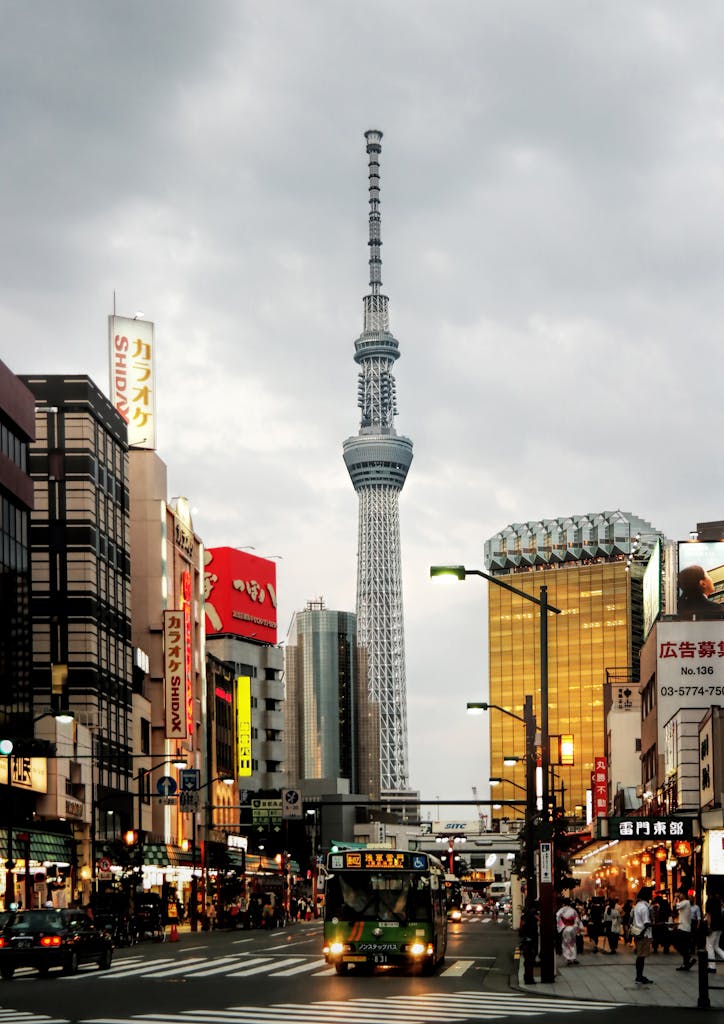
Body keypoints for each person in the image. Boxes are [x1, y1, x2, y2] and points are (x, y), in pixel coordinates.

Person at [631, 886, 654, 984]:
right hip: (643, 934)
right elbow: (646, 923)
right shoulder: (644, 908)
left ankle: (639, 975)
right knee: (641, 956)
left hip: (638, 933)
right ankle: (639, 976)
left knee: (640, 956)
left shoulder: (638, 905)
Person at [556, 898, 583, 966]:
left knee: (565, 943)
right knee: (573, 943)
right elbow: (577, 919)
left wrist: (561, 926)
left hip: (565, 928)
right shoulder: (573, 910)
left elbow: (557, 917)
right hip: (572, 928)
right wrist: (578, 928)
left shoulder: (561, 910)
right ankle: (573, 958)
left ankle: (568, 958)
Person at [673, 890, 695, 971]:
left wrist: (675, 897)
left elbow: (674, 906)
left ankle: (687, 958)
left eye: (681, 894)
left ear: (684, 895)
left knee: (677, 944)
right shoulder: (686, 903)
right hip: (684, 927)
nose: (680, 895)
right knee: (683, 946)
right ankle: (686, 963)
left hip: (684, 928)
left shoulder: (685, 902)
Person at [706, 890, 724, 973]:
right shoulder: (718, 901)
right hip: (720, 926)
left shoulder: (709, 901)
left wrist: (709, 926)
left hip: (713, 927)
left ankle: (712, 966)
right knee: (716, 946)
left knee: (709, 946)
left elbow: (709, 915)